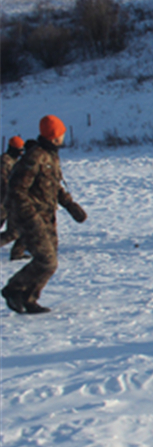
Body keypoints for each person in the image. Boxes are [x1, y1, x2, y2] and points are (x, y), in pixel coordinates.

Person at [2, 116, 88, 314]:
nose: (64, 135)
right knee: (46, 260)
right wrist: (29, 216)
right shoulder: (35, 157)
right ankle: (13, 289)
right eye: (61, 133)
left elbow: (53, 185)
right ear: (55, 136)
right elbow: (16, 189)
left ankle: (29, 298)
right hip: (31, 217)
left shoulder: (50, 156)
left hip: (47, 215)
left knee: (50, 262)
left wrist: (70, 205)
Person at [1, 136, 27, 257]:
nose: (21, 153)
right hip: (3, 201)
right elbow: (5, 182)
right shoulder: (5, 162)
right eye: (19, 150)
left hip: (9, 201)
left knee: (17, 229)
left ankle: (18, 252)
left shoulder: (14, 161)